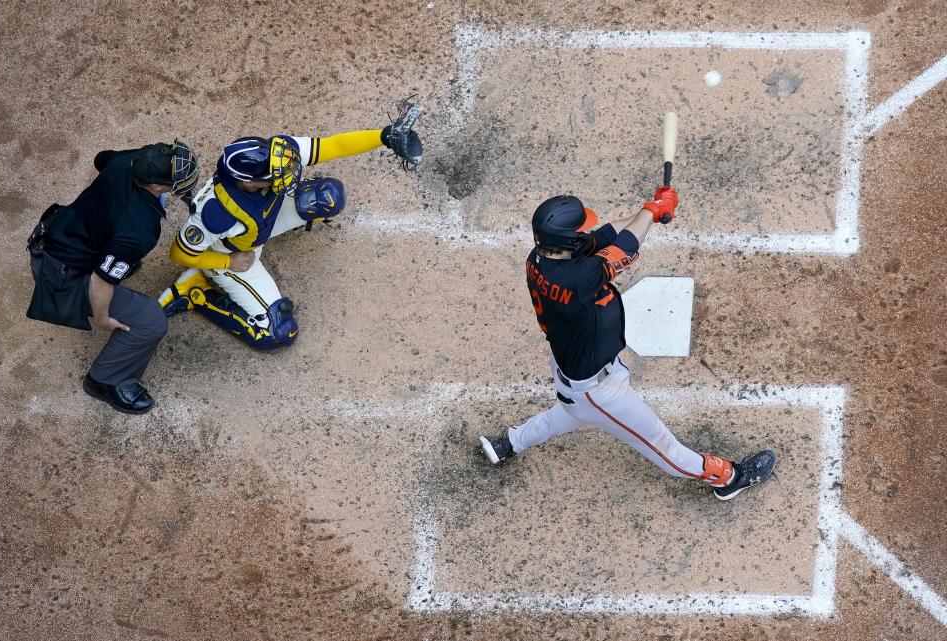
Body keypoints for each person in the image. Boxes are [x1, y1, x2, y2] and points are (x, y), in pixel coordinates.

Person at [478, 188, 777, 500]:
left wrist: (649, 210)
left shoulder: (539, 259)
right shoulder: (579, 278)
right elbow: (626, 247)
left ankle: (511, 443)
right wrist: (651, 212)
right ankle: (729, 478)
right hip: (599, 391)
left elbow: (607, 234)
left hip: (576, 372)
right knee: (663, 446)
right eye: (579, 231)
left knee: (569, 411)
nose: (585, 234)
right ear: (566, 240)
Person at [157, 99, 423, 349]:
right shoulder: (216, 214)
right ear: (248, 182)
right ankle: (196, 292)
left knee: (328, 196)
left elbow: (333, 146)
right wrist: (228, 263)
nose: (287, 173)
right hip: (232, 254)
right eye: (275, 176)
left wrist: (383, 136)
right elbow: (179, 253)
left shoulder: (277, 153)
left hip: (260, 227)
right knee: (278, 333)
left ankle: (281, 229)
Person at [26, 140, 200, 414]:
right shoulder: (140, 229)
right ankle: (105, 380)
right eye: (174, 178)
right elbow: (101, 280)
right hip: (60, 276)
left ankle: (116, 264)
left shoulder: (129, 161)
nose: (185, 176)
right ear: (155, 186)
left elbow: (101, 158)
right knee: (151, 321)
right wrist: (103, 316)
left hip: (54, 235)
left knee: (122, 259)